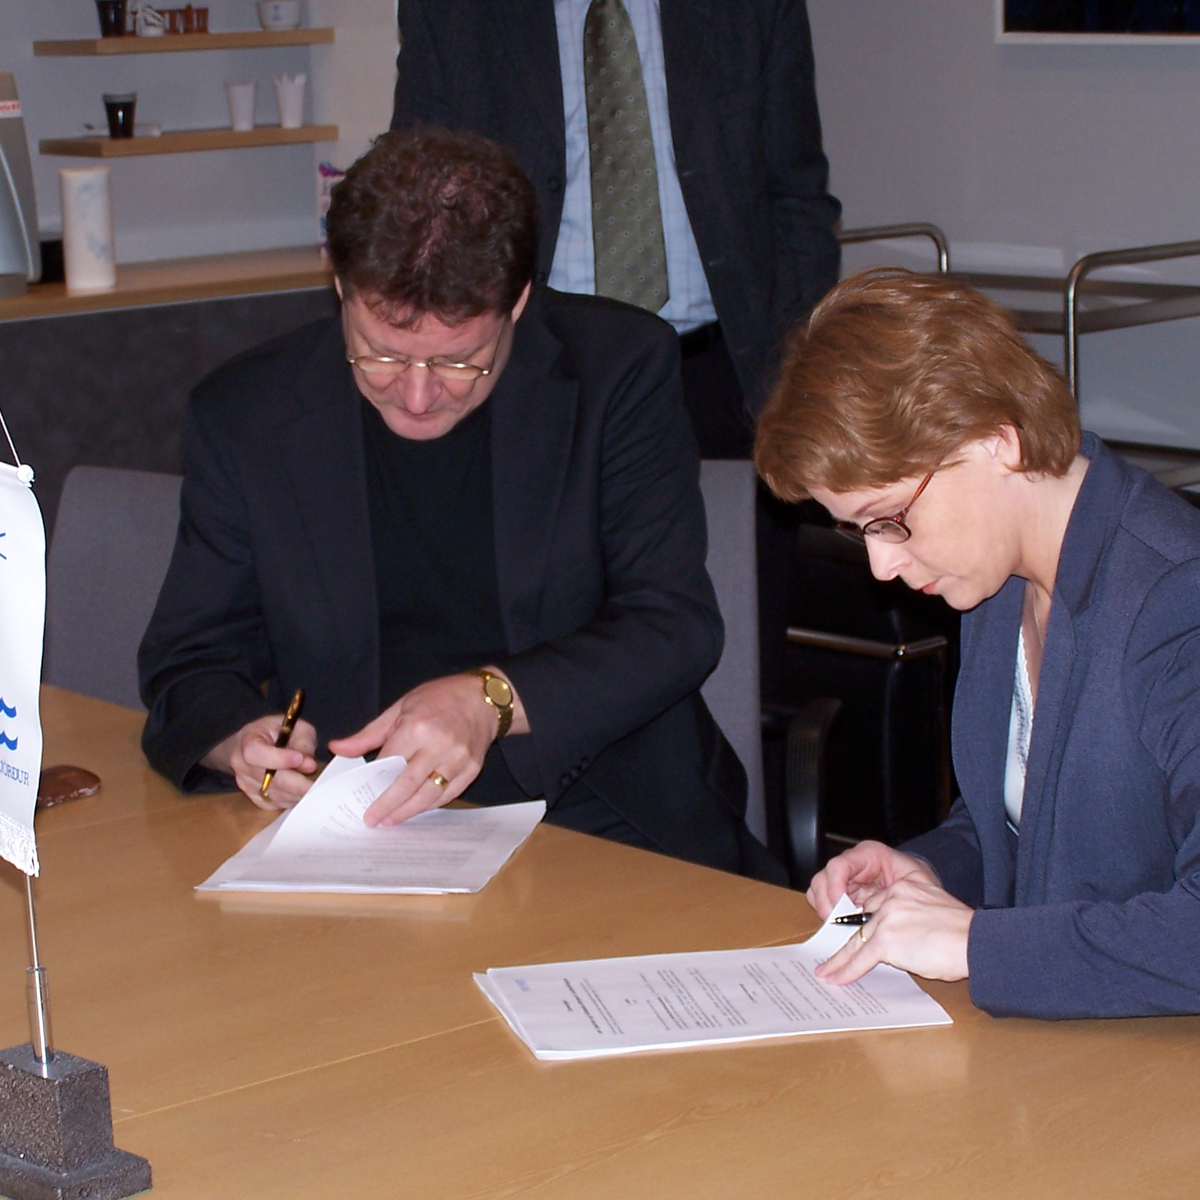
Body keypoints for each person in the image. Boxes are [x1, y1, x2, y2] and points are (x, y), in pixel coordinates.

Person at [139, 126, 779, 882]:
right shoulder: (248, 413)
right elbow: (191, 661)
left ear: (518, 302)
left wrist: (491, 701)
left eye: (458, 361)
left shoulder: (616, 372)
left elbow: (673, 625)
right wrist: (241, 742)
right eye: (381, 353)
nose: (416, 395)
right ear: (340, 287)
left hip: (594, 811)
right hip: (358, 827)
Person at [754, 267, 1200, 1018]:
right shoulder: (998, 578)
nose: (882, 564)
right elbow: (1044, 826)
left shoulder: (1175, 600)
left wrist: (972, 945)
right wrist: (929, 871)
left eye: (890, 518)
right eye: (859, 531)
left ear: (997, 442)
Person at [390, 0, 841, 457]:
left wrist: (798, 374)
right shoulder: (453, 12)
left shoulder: (750, 11)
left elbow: (798, 199)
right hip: (533, 370)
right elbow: (416, 207)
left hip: (725, 377)